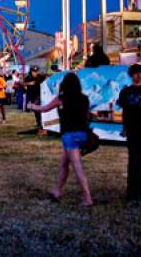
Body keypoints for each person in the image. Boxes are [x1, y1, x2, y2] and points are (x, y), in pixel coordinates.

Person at [28, 72, 93, 207]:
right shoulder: (84, 98)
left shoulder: (62, 98)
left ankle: (87, 198)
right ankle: (57, 191)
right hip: (83, 134)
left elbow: (44, 109)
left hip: (69, 136)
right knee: (64, 163)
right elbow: (88, 116)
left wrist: (31, 106)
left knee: (77, 167)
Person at [117, 63, 141, 201]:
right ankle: (131, 190)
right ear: (131, 75)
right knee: (132, 159)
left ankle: (140, 190)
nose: (139, 75)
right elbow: (124, 112)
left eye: (140, 73)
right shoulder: (125, 92)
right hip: (131, 129)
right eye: (136, 73)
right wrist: (124, 128)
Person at [24, 66, 46, 135]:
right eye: (34, 71)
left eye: (36, 71)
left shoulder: (40, 76)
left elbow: (45, 79)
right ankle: (38, 122)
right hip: (32, 95)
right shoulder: (28, 77)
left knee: (41, 109)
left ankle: (42, 123)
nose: (35, 73)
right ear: (31, 71)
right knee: (36, 110)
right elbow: (23, 84)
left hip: (40, 95)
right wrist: (29, 83)